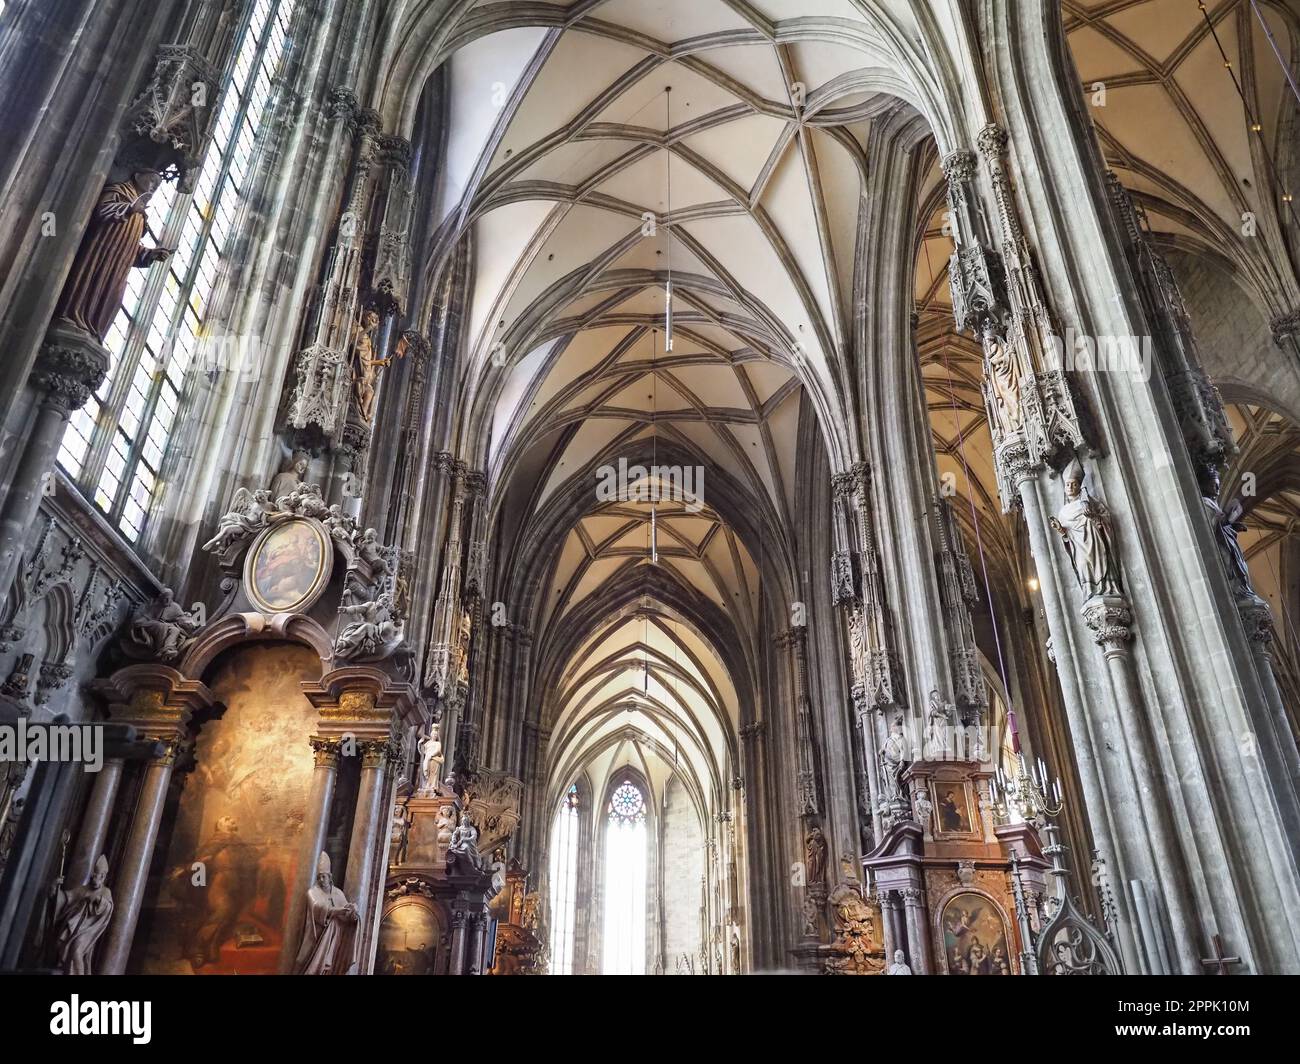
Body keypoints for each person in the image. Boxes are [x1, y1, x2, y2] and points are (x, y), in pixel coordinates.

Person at [53, 171, 172, 341]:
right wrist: (129, 208)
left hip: (118, 266)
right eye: (152, 181)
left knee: (111, 296)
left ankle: (92, 327)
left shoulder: (140, 211)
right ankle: (72, 317)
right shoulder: (119, 191)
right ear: (137, 176)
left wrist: (149, 254)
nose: (153, 187)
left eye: (157, 186)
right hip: (99, 254)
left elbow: (129, 245)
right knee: (89, 284)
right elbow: (101, 210)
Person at [295, 852, 358, 975]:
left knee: (335, 923)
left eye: (323, 876)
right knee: (333, 922)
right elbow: (318, 907)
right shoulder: (312, 892)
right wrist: (336, 911)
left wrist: (353, 911)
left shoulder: (338, 893)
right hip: (316, 938)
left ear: (330, 876)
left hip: (335, 942)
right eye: (318, 877)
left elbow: (348, 916)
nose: (321, 880)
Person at [51, 854, 114, 975]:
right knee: (66, 946)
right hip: (76, 926)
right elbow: (66, 898)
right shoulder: (84, 889)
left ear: (103, 877)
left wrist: (97, 900)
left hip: (90, 929)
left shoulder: (106, 892)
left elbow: (108, 907)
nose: (95, 877)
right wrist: (55, 889)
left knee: (76, 949)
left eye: (99, 875)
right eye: (94, 874)